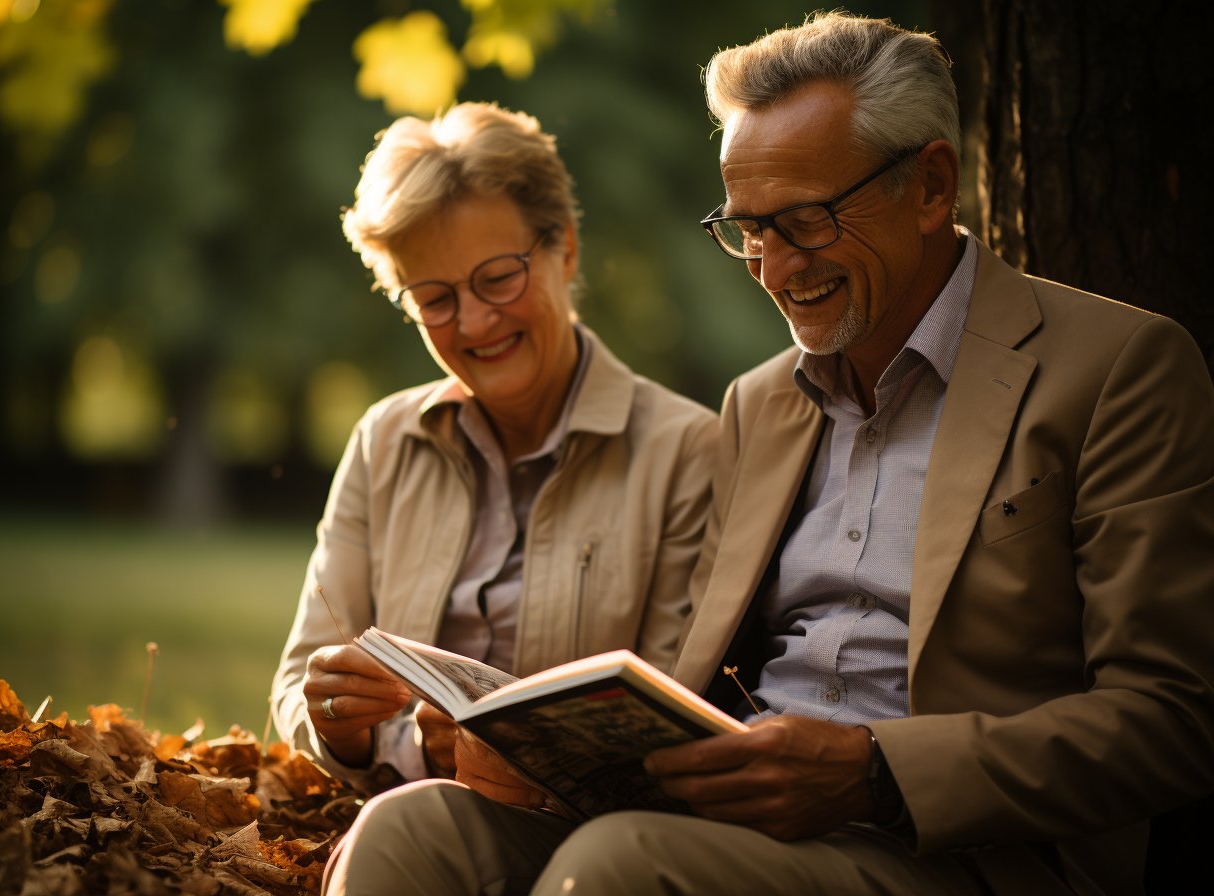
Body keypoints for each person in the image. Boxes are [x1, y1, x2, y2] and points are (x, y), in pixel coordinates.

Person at [323, 11, 1214, 895]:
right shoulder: (759, 405)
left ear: (932, 185)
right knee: (412, 829)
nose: (773, 268)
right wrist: (555, 760)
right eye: (747, 228)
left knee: (623, 864)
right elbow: (697, 674)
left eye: (805, 222)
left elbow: (1171, 721)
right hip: (732, 825)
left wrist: (874, 770)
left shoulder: (1116, 367)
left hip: (960, 854)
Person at [270, 101, 717, 793]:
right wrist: (340, 724)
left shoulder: (688, 453)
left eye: (498, 278)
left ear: (565, 248)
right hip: (389, 813)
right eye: (435, 299)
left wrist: (509, 748)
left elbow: (681, 717)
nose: (476, 322)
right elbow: (301, 682)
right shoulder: (382, 442)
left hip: (577, 838)